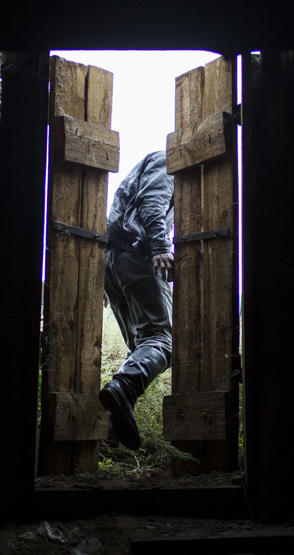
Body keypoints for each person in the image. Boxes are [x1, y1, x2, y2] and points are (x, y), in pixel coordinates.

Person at [100, 150, 174, 451]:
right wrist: (159, 245)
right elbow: (151, 202)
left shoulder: (148, 167)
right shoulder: (168, 159)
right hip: (140, 254)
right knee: (162, 340)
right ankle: (122, 388)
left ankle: (112, 424)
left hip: (114, 262)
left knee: (141, 346)